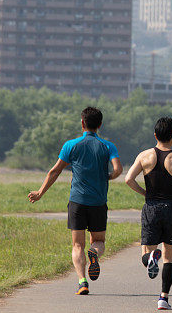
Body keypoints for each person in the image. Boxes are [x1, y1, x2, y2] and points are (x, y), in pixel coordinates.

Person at [28, 107, 122, 295]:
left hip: (77, 202)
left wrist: (40, 192)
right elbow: (118, 169)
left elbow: (54, 171)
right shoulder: (108, 146)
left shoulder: (71, 145)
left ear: (82, 123)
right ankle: (94, 253)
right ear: (100, 125)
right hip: (98, 202)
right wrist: (108, 177)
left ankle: (82, 282)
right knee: (98, 241)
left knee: (77, 245)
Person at [125, 117, 172, 310]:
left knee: (146, 252)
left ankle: (150, 259)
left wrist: (144, 192)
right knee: (169, 257)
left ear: (155, 135)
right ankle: (163, 298)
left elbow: (129, 179)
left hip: (151, 207)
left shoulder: (144, 156)